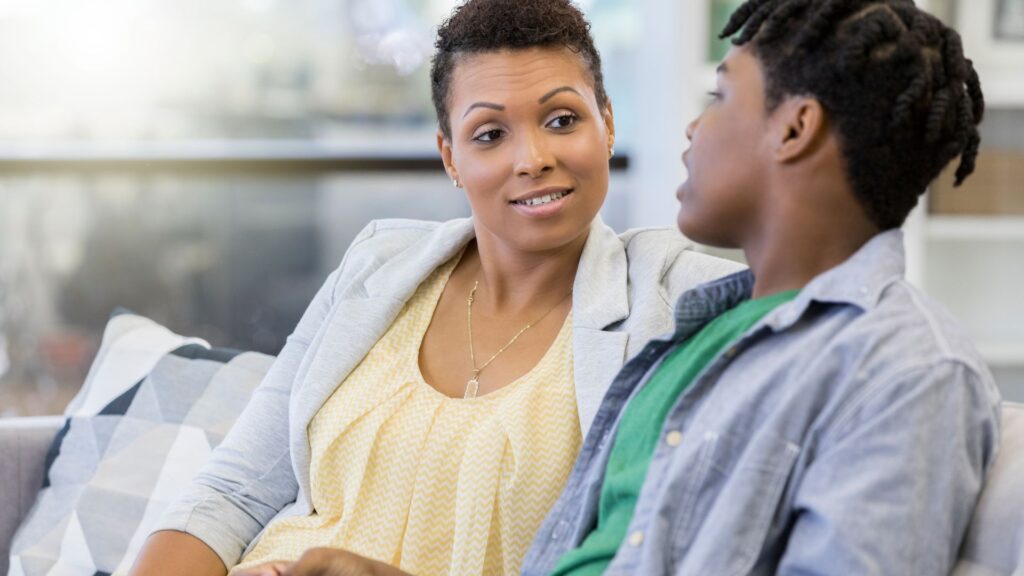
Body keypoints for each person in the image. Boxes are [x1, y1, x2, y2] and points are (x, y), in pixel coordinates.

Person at [127, 1, 739, 575]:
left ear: (606, 124)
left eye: (561, 120)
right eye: (490, 134)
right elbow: (232, 490)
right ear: (450, 156)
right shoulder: (377, 266)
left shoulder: (674, 295)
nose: (532, 158)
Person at [522, 1, 1002, 575]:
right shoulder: (704, 324)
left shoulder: (908, 370)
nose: (694, 127)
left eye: (719, 98)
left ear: (795, 128)